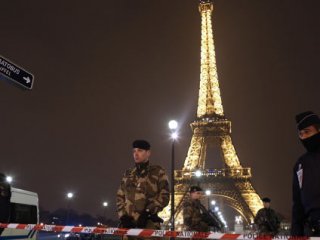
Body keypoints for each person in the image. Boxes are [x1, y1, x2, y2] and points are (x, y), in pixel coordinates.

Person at [116, 140, 170, 230]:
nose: (136, 154)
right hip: (128, 224)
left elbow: (165, 196)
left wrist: (148, 212)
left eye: (140, 150)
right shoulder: (128, 173)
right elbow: (119, 196)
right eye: (134, 151)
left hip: (148, 225)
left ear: (148, 153)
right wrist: (123, 216)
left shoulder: (158, 172)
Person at [291, 111, 320, 236]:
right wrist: (296, 233)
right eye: (301, 134)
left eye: (307, 132)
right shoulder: (300, 164)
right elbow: (297, 203)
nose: (304, 137)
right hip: (312, 229)